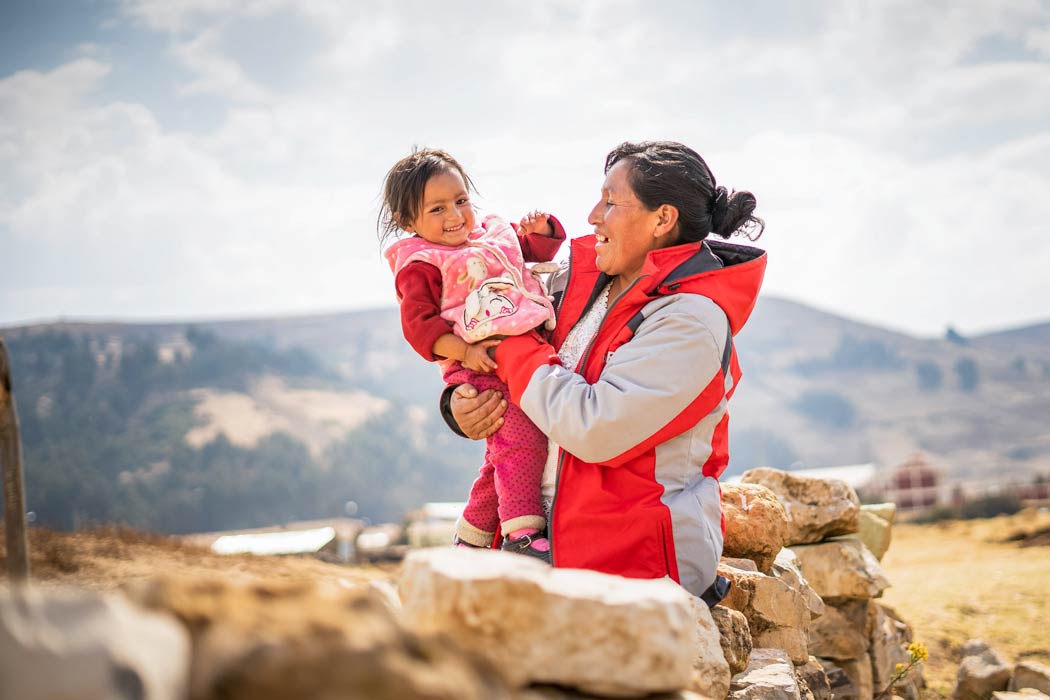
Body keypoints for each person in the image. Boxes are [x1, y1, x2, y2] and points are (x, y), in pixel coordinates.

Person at [442, 141, 766, 601]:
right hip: (538, 557)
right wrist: (461, 405)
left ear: (662, 219)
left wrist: (508, 341)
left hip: (633, 572)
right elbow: (495, 366)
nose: (593, 216)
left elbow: (595, 427)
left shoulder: (691, 321)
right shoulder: (572, 282)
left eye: (611, 202)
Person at [379, 148, 565, 561]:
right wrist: (464, 350)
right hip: (477, 365)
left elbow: (530, 250)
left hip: (515, 357)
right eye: (437, 209)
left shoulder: (491, 237)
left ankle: (472, 537)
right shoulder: (422, 264)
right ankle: (521, 533)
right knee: (521, 443)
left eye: (461, 200)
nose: (455, 215)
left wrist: (543, 229)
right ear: (408, 221)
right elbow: (419, 326)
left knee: (503, 452)